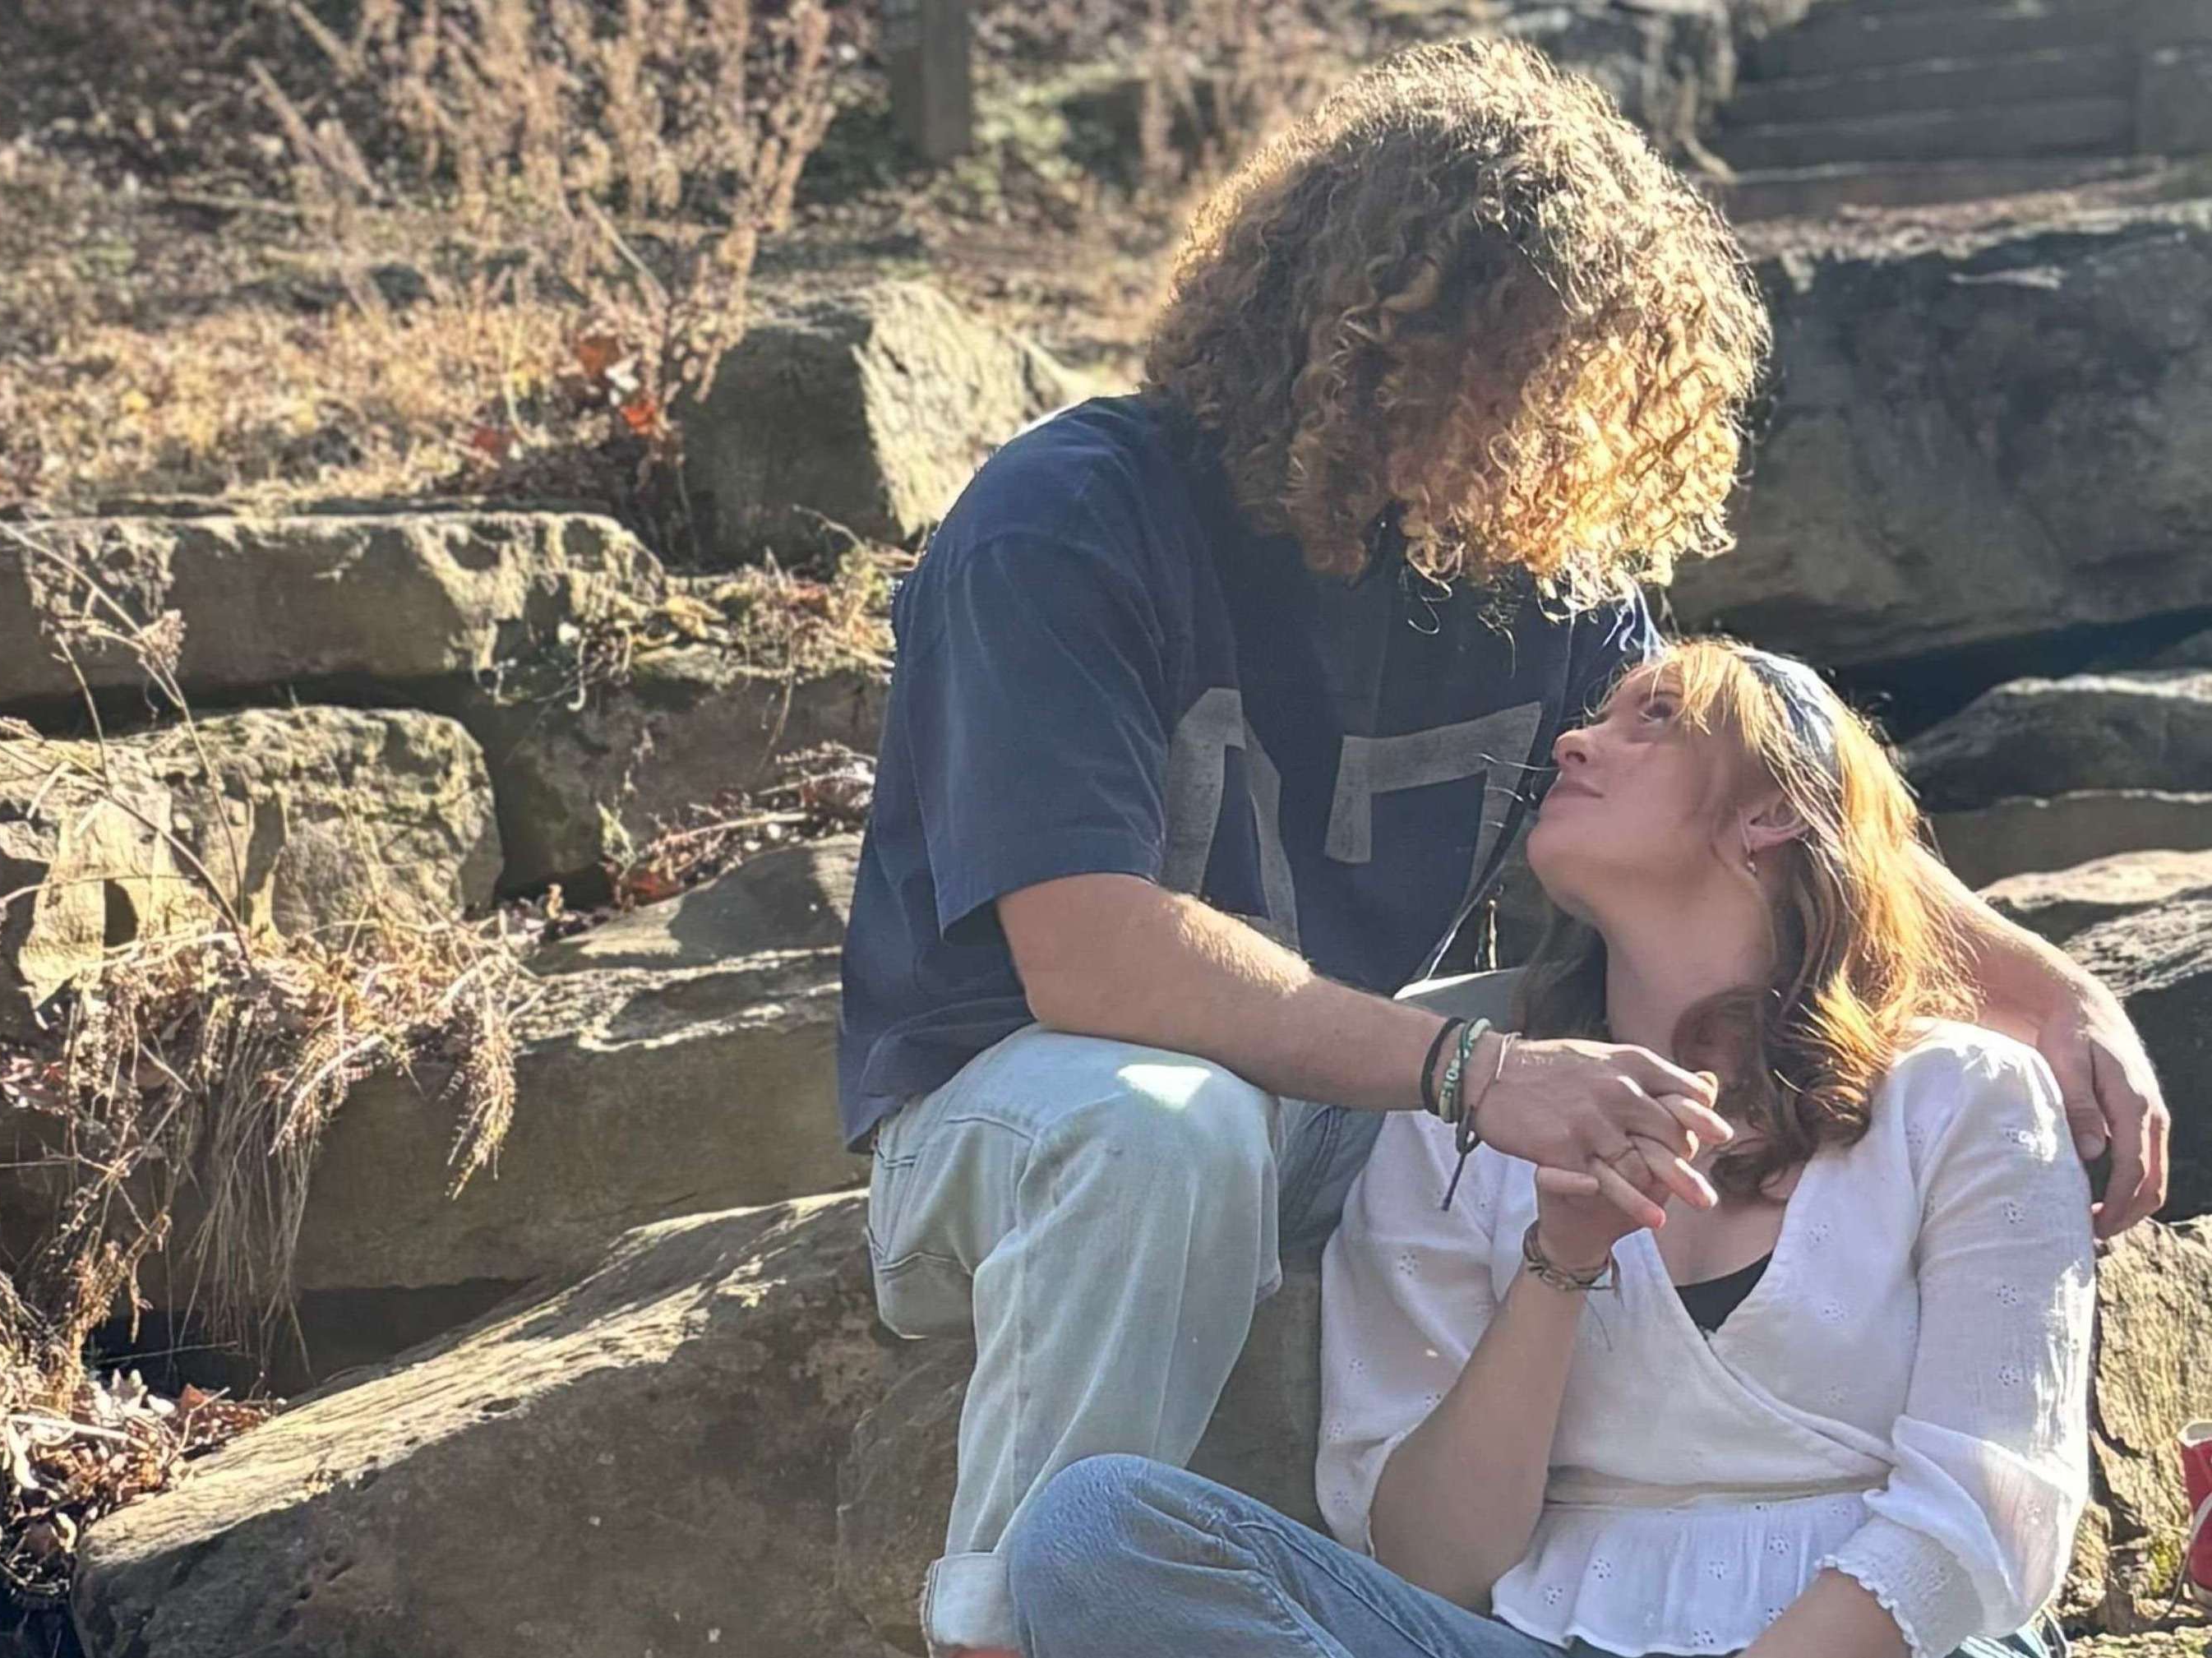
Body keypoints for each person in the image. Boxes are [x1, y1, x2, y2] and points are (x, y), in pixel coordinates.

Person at [836, 39, 2163, 1658]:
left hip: (1326, 1097)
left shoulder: (1519, 563)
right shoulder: (1069, 522)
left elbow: (1771, 809)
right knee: (1163, 1151)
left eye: (1590, 376)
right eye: (1529, 364)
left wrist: (2048, 992)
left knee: (1640, 989)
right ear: (1379, 325)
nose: (1563, 420)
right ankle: (993, 1628)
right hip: (1038, 1109)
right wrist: (1472, 1090)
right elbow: (1088, 953)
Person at [1005, 639, 2095, 1658]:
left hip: (1888, 1641)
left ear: (1769, 812)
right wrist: (1558, 1264)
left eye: (1652, 721)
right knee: (1092, 1529)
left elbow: (1984, 1513)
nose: (1575, 742)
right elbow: (1433, 1562)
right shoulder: (1457, 1120)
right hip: (1537, 1634)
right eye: (1590, 721)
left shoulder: (1961, 1094)